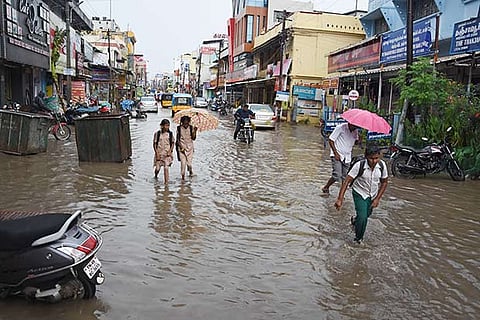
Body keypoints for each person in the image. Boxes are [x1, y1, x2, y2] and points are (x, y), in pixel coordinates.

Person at [334, 145, 388, 244]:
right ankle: (358, 239)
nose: (374, 161)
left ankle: (355, 221)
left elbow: (384, 182)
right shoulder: (359, 165)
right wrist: (340, 199)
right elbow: (346, 181)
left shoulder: (382, 166)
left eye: (376, 158)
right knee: (363, 217)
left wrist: (377, 199)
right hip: (359, 193)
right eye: (371, 158)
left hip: (373, 194)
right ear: (366, 157)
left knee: (367, 214)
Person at [321, 121, 360, 194]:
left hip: (347, 156)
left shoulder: (355, 131)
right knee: (337, 175)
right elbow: (331, 140)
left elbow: (355, 142)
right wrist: (336, 153)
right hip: (337, 154)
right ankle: (326, 187)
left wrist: (358, 140)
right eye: (354, 125)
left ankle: (341, 195)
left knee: (345, 178)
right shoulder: (340, 128)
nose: (355, 127)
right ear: (350, 123)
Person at [153, 119, 175, 183]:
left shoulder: (170, 134)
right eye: (166, 125)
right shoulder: (157, 134)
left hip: (167, 154)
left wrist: (170, 151)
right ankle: (156, 175)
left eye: (168, 125)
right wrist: (156, 153)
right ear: (162, 126)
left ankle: (166, 183)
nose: (167, 127)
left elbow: (173, 143)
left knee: (166, 167)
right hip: (159, 153)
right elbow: (154, 144)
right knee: (157, 169)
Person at [176, 116, 197, 180]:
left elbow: (193, 138)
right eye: (184, 123)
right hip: (181, 149)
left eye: (187, 123)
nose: (186, 124)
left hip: (190, 148)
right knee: (183, 164)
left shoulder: (191, 128)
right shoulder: (179, 128)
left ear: (189, 122)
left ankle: (190, 172)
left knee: (189, 164)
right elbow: (177, 140)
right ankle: (183, 180)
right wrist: (181, 147)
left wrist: (195, 131)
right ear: (182, 122)